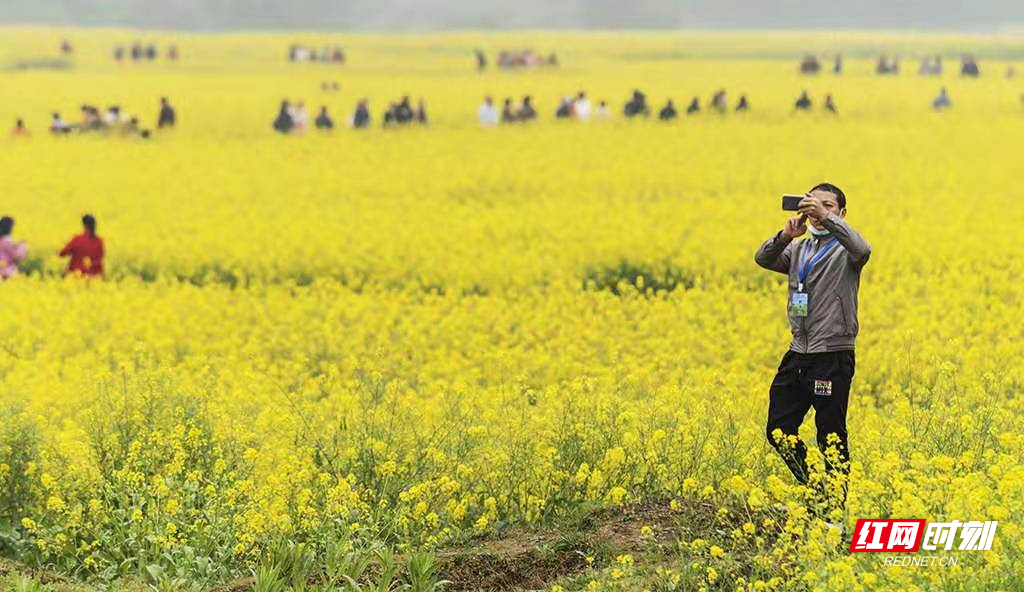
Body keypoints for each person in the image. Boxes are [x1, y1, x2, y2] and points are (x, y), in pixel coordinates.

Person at [755, 183, 871, 519]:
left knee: (830, 434)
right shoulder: (800, 250)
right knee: (778, 429)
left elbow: (862, 248)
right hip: (799, 351)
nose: (819, 211)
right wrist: (785, 236)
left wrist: (829, 221)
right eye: (812, 204)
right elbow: (763, 259)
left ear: (842, 214)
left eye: (828, 206)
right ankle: (817, 492)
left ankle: (835, 510)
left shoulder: (846, 251)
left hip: (832, 353)